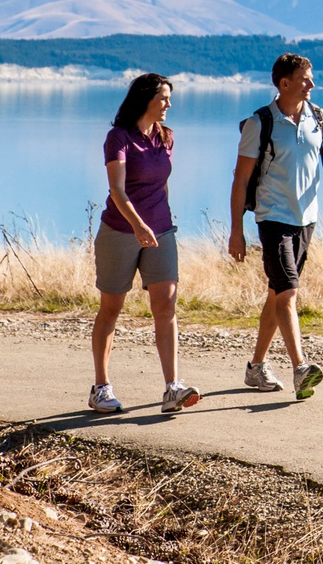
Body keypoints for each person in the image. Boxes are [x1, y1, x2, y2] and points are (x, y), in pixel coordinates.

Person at [229, 53, 323, 399]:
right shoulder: (260, 123)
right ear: (284, 83)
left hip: (307, 220)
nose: (312, 84)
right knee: (288, 291)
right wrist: (236, 230)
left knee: (277, 293)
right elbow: (241, 179)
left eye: (311, 77)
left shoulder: (319, 117)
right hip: (273, 217)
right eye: (305, 78)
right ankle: (300, 368)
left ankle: (256, 367)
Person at [90, 73, 201, 415]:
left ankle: (172, 388)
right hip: (120, 232)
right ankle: (100, 388)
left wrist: (160, 222)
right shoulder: (118, 138)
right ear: (145, 99)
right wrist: (138, 225)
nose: (169, 104)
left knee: (166, 307)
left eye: (169, 98)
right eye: (164, 98)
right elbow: (118, 191)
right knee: (111, 309)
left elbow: (161, 184)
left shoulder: (166, 137)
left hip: (161, 232)